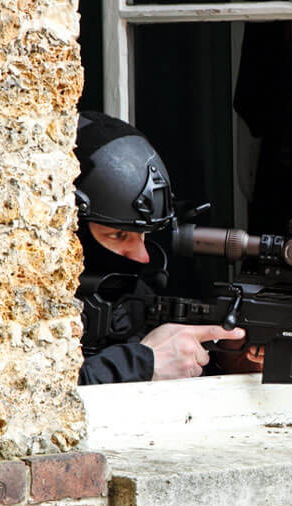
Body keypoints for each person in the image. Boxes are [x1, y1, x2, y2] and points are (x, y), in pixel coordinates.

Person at [73, 111, 262, 384]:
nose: (142, 256)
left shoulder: (132, 297)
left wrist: (228, 359)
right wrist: (139, 364)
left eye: (144, 236)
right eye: (118, 235)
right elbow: (29, 397)